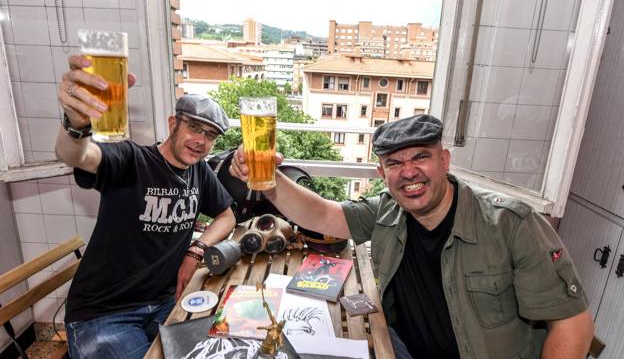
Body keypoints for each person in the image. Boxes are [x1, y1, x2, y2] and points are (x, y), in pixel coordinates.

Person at [229, 114, 595, 359]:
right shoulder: (388, 209)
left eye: (421, 157)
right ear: (381, 172)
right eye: (394, 163)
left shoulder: (511, 224)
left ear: (445, 161)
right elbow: (325, 215)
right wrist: (269, 183)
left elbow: (572, 323)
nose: (409, 173)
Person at [56, 55, 236, 359]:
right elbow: (76, 155)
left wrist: (196, 250)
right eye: (194, 127)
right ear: (173, 124)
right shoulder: (131, 159)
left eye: (210, 135)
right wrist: (76, 124)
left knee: (225, 346)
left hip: (164, 303)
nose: (201, 141)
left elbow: (227, 216)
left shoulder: (199, 171)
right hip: (103, 314)